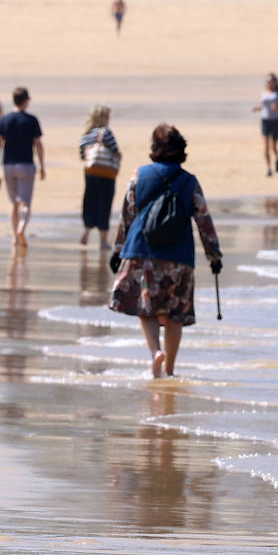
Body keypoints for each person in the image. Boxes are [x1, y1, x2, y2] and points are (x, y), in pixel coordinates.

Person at [107, 123, 222, 379]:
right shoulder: (190, 181)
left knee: (145, 308)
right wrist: (213, 255)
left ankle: (155, 353)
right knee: (174, 314)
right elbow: (204, 220)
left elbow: (126, 215)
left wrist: (118, 251)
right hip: (178, 256)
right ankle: (169, 368)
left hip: (141, 252)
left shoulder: (139, 177)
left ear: (155, 149)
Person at [0, 86, 46, 249]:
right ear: (26, 100)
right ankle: (21, 229)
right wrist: (42, 166)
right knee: (25, 202)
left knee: (13, 203)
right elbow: (38, 145)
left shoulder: (5, 120)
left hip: (8, 165)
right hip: (26, 164)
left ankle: (14, 237)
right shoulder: (31, 120)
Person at [79, 104, 121, 250]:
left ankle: (86, 231)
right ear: (101, 117)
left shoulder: (86, 134)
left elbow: (82, 155)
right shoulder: (106, 133)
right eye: (107, 116)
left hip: (90, 172)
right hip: (106, 173)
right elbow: (115, 150)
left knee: (89, 201)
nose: (108, 119)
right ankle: (103, 241)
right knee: (104, 203)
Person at [253, 74, 278, 177]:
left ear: (275, 82)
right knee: (265, 146)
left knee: (274, 147)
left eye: (271, 81)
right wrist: (258, 108)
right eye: (268, 82)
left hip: (275, 121)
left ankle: (277, 159)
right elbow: (263, 105)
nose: (269, 84)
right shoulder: (263, 93)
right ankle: (268, 168)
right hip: (265, 121)